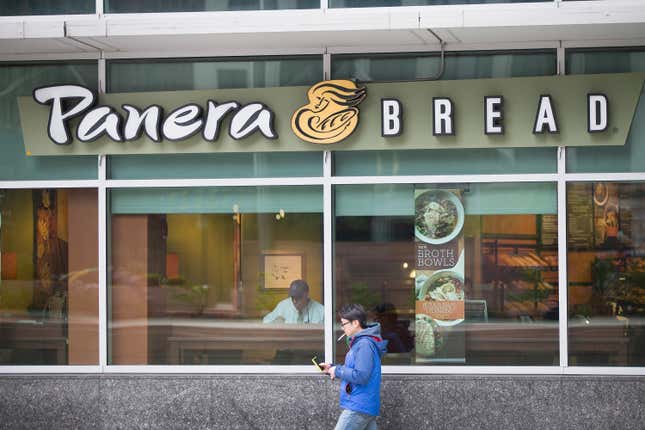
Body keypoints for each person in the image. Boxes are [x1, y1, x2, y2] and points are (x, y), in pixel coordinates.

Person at [321, 304, 387, 430]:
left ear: (355, 323)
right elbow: (356, 369)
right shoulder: (361, 343)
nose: (342, 328)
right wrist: (332, 368)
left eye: (344, 324)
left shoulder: (364, 344)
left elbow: (361, 375)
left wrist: (337, 370)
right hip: (363, 404)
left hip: (358, 406)